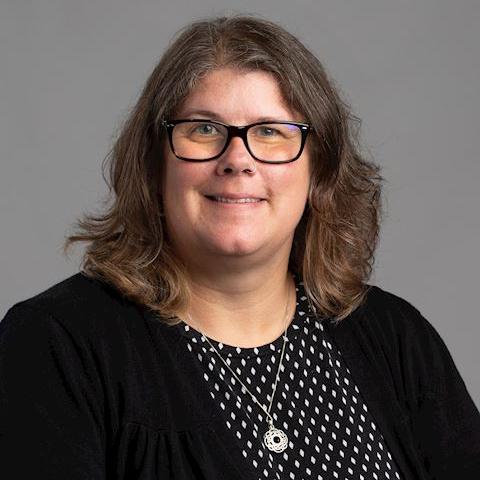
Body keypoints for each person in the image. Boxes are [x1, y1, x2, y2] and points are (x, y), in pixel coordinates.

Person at [1, 15, 479, 480]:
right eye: (204, 129)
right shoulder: (57, 344)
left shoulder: (395, 338)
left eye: (270, 132)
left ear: (320, 170)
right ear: (153, 163)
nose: (237, 160)